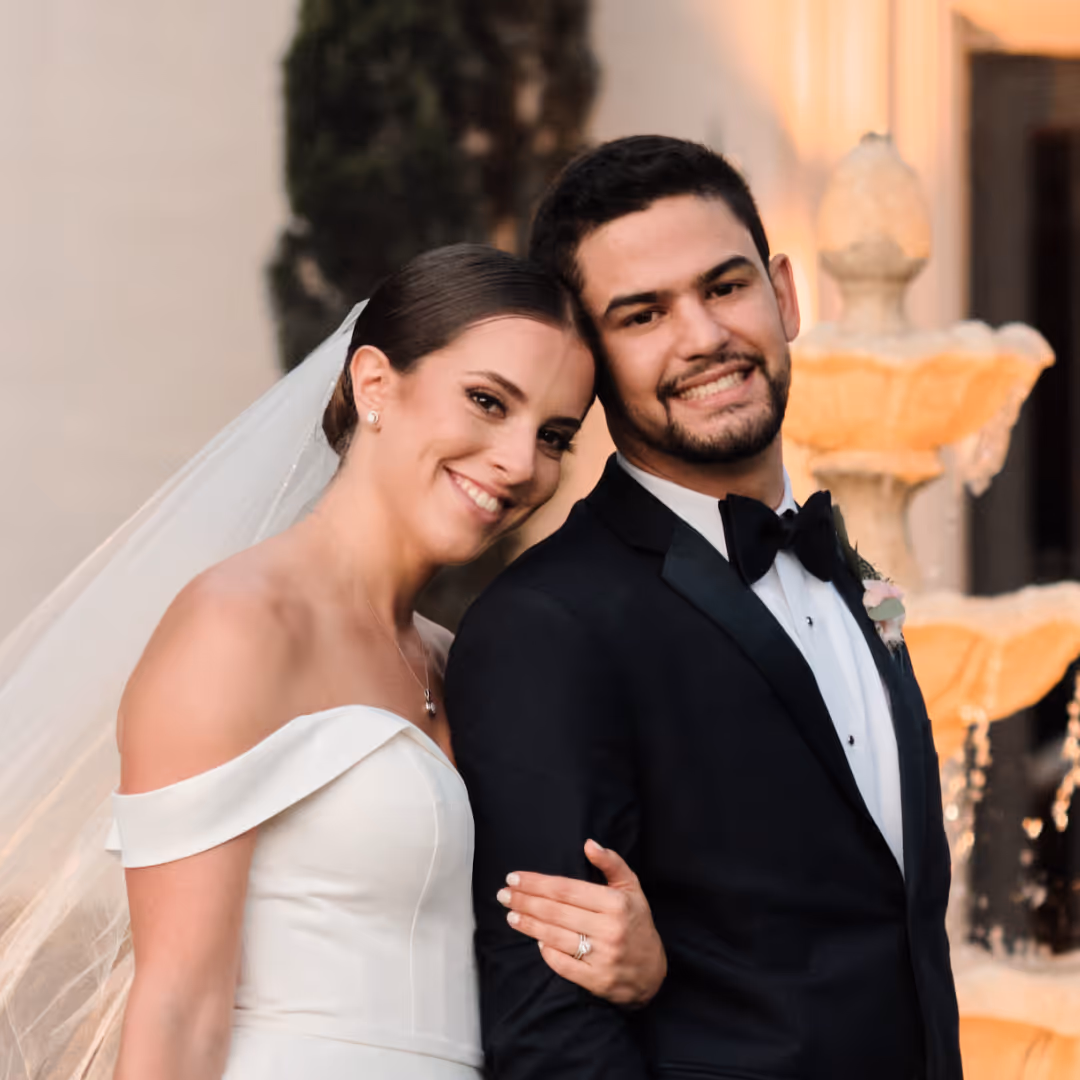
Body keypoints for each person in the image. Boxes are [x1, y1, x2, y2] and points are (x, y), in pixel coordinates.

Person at [0, 245, 668, 1080]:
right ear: (375, 383)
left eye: (555, 436)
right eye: (488, 401)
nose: (520, 462)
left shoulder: (459, 663)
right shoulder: (241, 624)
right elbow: (177, 1008)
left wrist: (632, 960)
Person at [447, 137, 963, 1080]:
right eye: (642, 314)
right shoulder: (547, 627)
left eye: (724, 288)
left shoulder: (862, 577)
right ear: (593, 362)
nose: (702, 338)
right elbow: (552, 1035)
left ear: (785, 295)